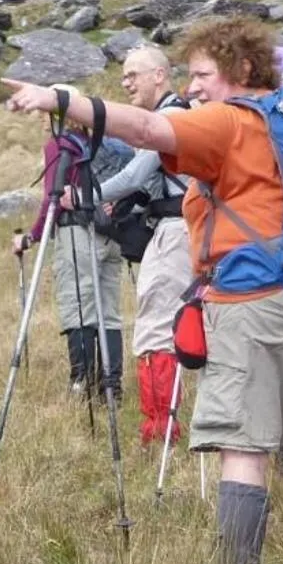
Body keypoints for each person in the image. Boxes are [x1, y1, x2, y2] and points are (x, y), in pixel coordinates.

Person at [2, 15, 283, 564]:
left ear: (240, 70)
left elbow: (150, 129)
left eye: (203, 73)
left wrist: (64, 101)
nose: (196, 86)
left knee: (243, 448)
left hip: (253, 300)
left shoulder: (231, 121)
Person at [94, 44, 193, 442]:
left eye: (133, 74)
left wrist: (89, 195)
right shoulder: (170, 115)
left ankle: (161, 425)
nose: (126, 82)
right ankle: (161, 420)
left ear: (159, 75)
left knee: (156, 326)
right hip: (176, 227)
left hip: (175, 229)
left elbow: (136, 175)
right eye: (123, 75)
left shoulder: (169, 117)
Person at [14, 121, 127, 397]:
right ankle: (111, 386)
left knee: (77, 306)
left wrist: (32, 236)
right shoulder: (105, 144)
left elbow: (52, 197)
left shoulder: (60, 145)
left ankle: (82, 384)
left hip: (77, 232)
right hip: (111, 234)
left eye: (45, 114)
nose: (41, 120)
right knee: (109, 312)